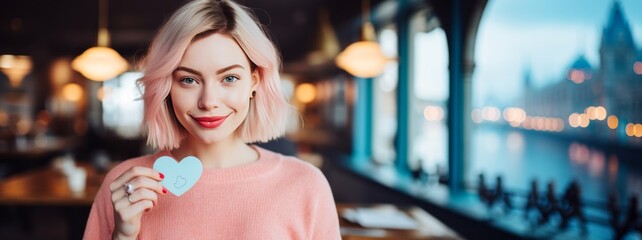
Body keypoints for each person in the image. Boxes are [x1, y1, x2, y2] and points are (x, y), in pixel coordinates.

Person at [83, 0, 341, 239]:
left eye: (229, 78)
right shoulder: (125, 185)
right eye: (188, 80)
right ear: (166, 87)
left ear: (254, 82)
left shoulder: (306, 184)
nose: (208, 101)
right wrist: (123, 236)